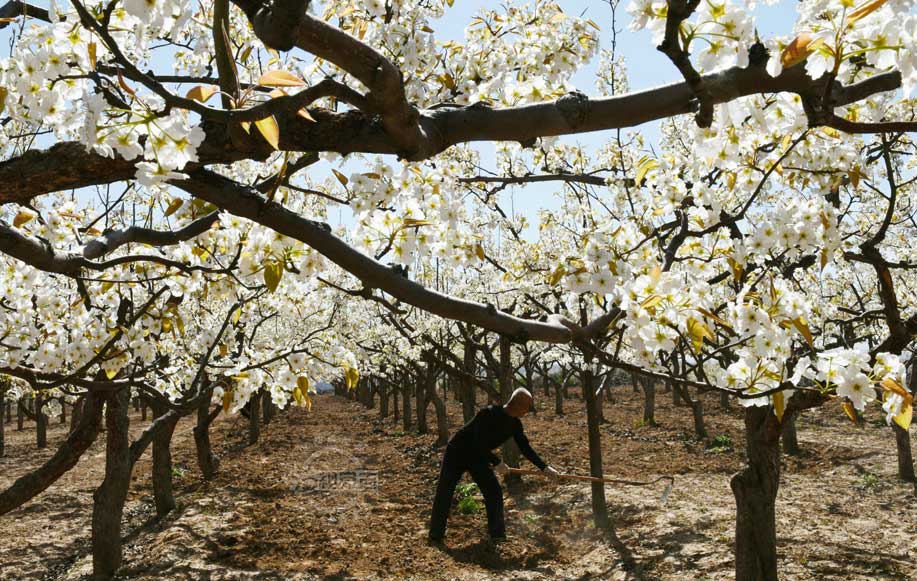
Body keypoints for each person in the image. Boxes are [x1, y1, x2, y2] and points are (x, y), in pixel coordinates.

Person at [427, 387, 560, 544]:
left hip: (479, 457)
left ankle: (497, 536)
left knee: (494, 492)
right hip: (458, 452)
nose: (528, 411)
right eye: (527, 407)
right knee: (445, 490)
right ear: (516, 404)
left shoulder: (515, 424)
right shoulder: (488, 414)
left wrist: (544, 468)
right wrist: (497, 462)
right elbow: (477, 442)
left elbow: (525, 448)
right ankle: (436, 535)